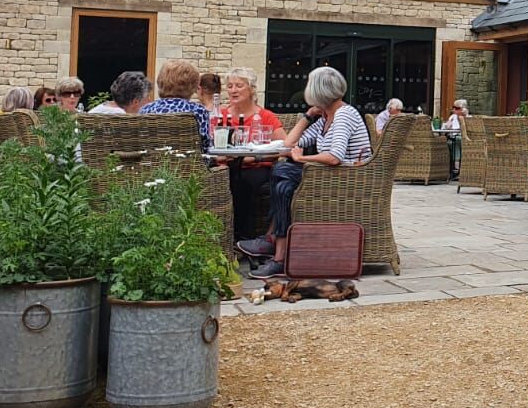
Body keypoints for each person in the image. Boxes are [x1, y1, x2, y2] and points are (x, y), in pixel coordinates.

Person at [237, 65, 371, 277]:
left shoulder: (344, 115)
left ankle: (273, 244)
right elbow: (288, 144)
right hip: (328, 176)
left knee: (282, 170)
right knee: (283, 183)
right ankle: (277, 251)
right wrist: (308, 116)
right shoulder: (327, 116)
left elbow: (334, 157)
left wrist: (302, 158)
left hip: (346, 178)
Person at [210, 67, 286, 243]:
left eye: (239, 85)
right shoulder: (220, 115)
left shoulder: (265, 116)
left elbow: (285, 145)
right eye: (229, 86)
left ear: (251, 88)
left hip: (256, 167)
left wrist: (257, 157)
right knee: (222, 179)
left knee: (242, 181)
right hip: (227, 166)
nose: (233, 90)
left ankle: (242, 238)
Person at [139, 58, 212, 148]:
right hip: (189, 161)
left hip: (151, 161)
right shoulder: (198, 111)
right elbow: (206, 146)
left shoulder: (145, 110)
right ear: (192, 85)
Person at [439, 98, 469, 178]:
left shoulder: (468, 118)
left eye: (457, 108)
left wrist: (463, 117)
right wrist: (446, 126)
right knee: (452, 142)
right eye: (454, 107)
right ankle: (455, 169)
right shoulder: (452, 117)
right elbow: (444, 130)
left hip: (466, 140)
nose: (454, 110)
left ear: (463, 109)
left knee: (457, 141)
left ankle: (456, 168)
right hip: (453, 138)